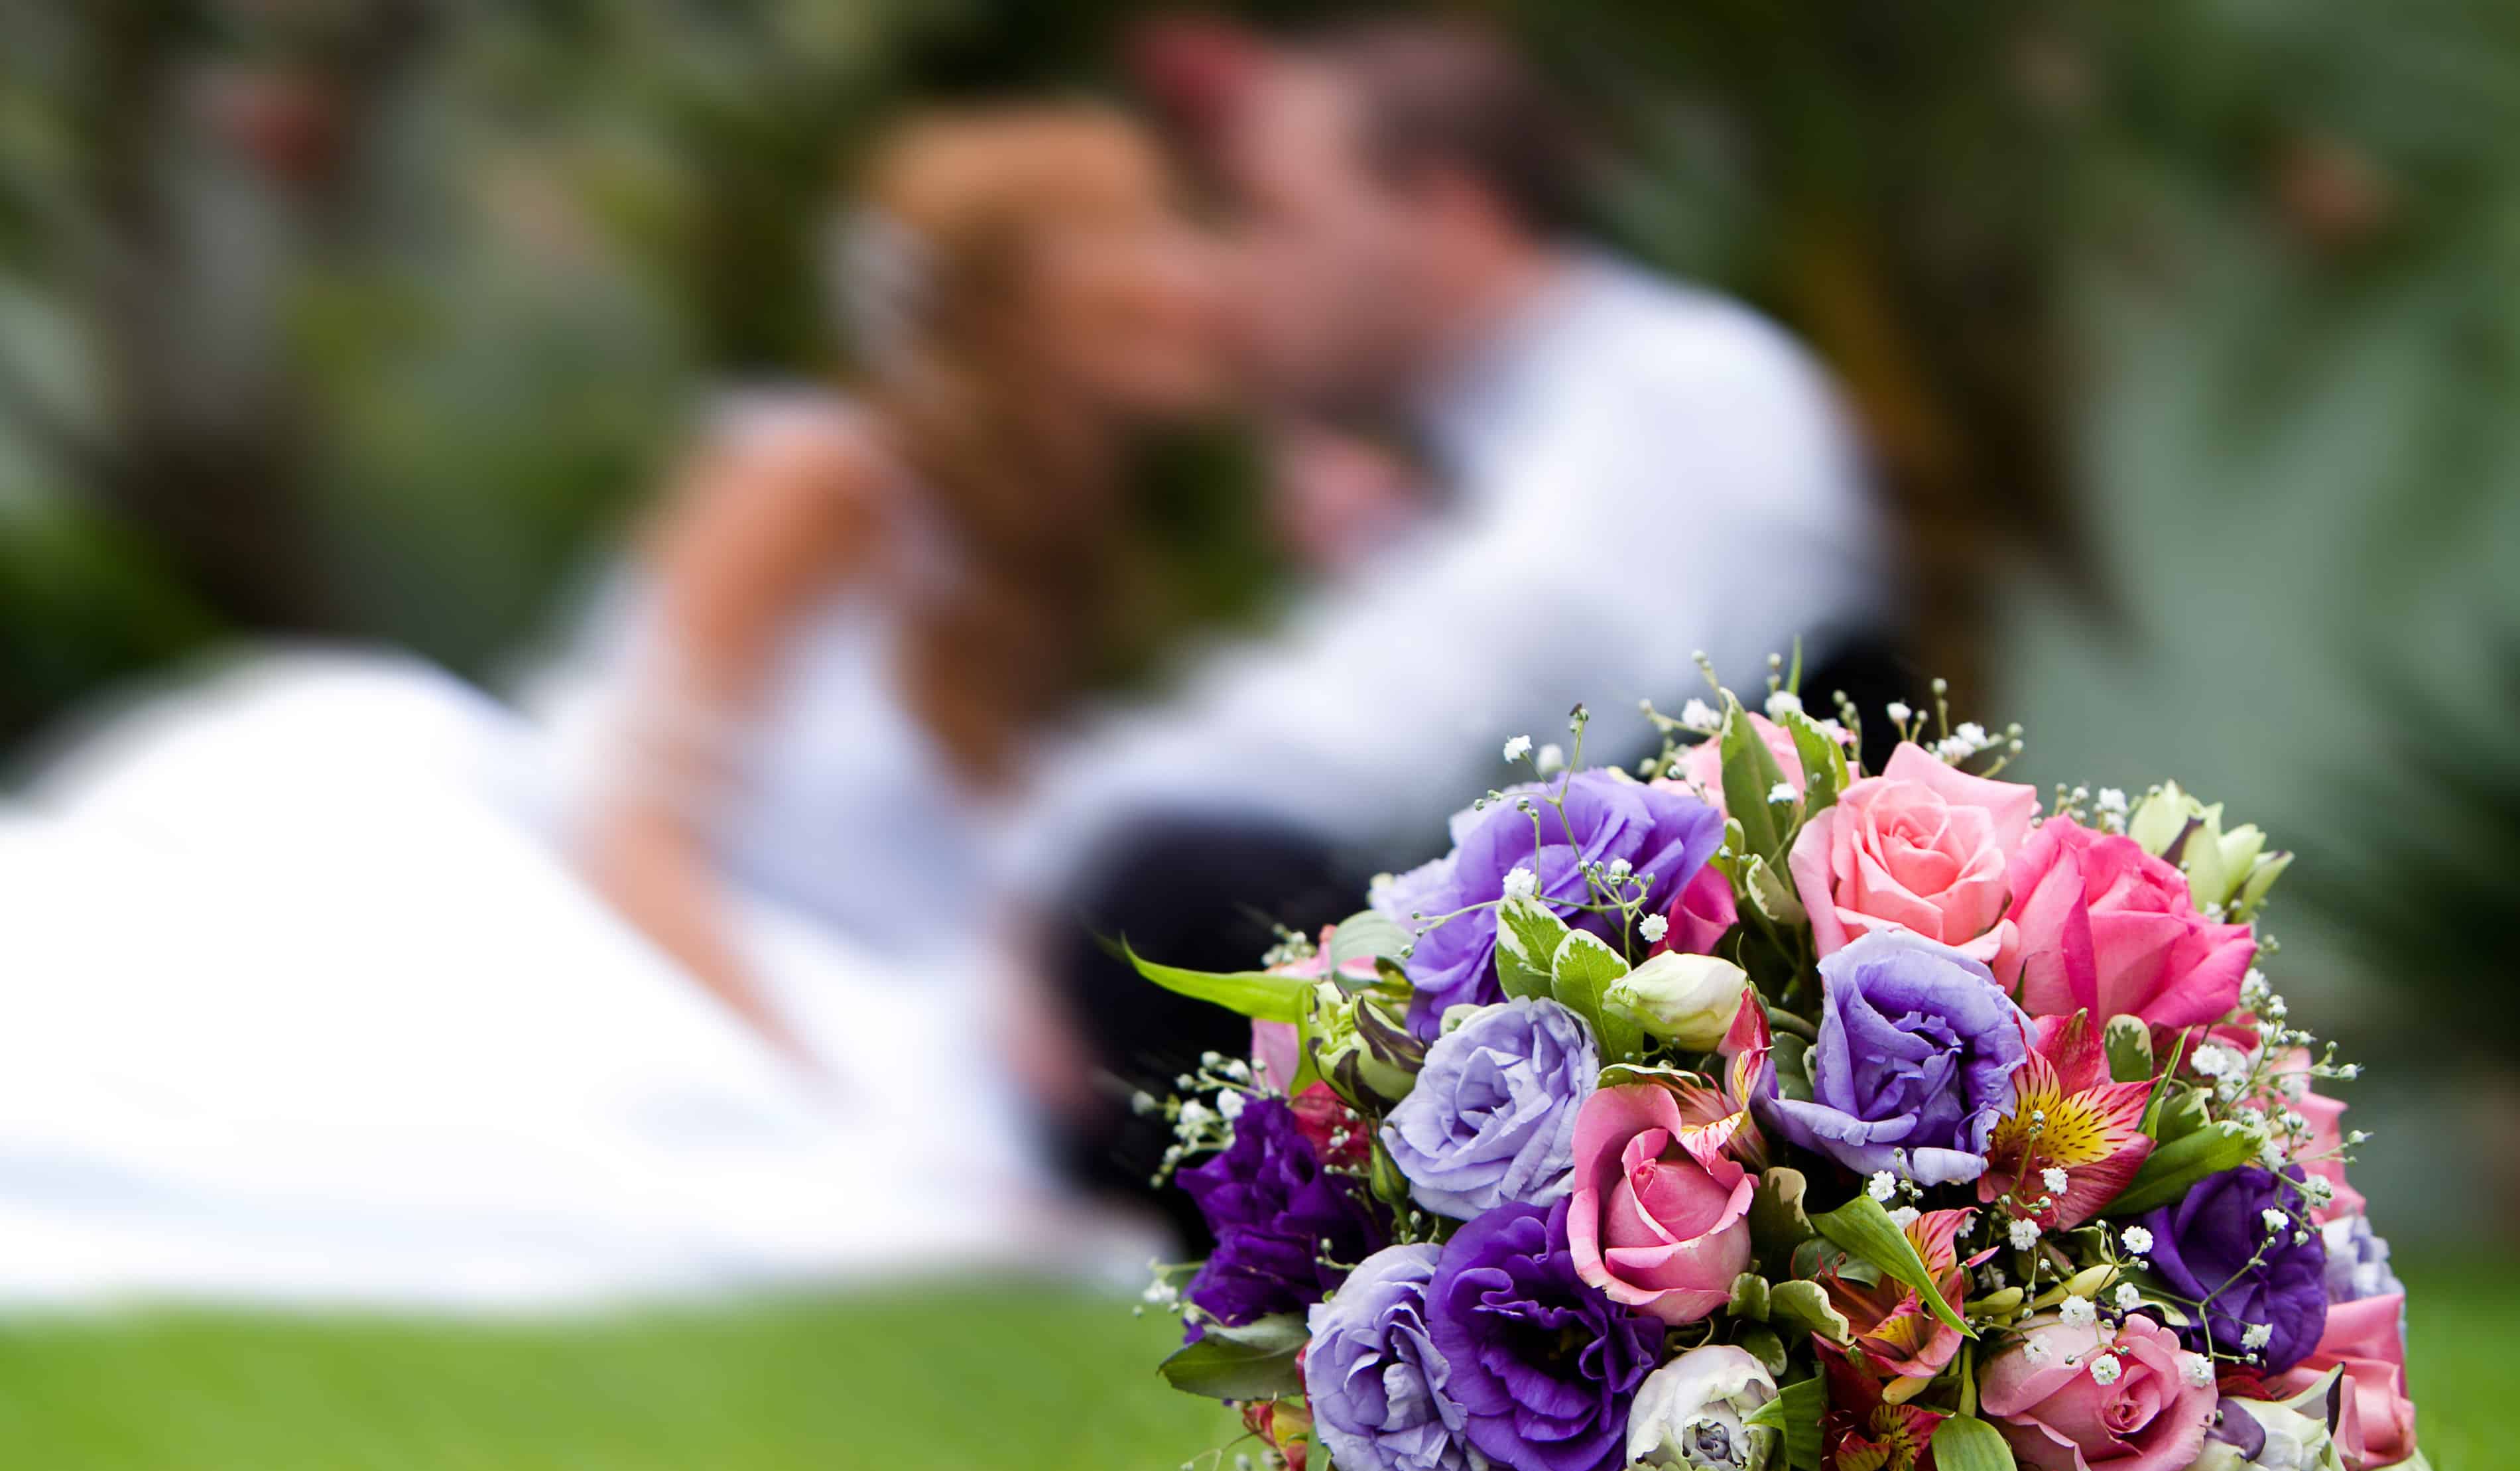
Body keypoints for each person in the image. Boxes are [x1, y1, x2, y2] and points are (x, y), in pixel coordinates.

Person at [0, 107, 1230, 1308]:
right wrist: (816, 1100)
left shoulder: (1042, 557)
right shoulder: (818, 479)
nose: (1196, 271)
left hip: (874, 992)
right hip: (599, 894)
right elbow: (637, 821)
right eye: (1146, 230)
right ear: (1024, 295)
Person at [1019, 21, 1902, 1185]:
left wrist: (1048, 852)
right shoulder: (1549, 415)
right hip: (1621, 991)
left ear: (1442, 210)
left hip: (1708, 1045)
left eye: (1276, 216)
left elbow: (1430, 717)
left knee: (1165, 902)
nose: (1243, 274)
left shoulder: (1674, 388)